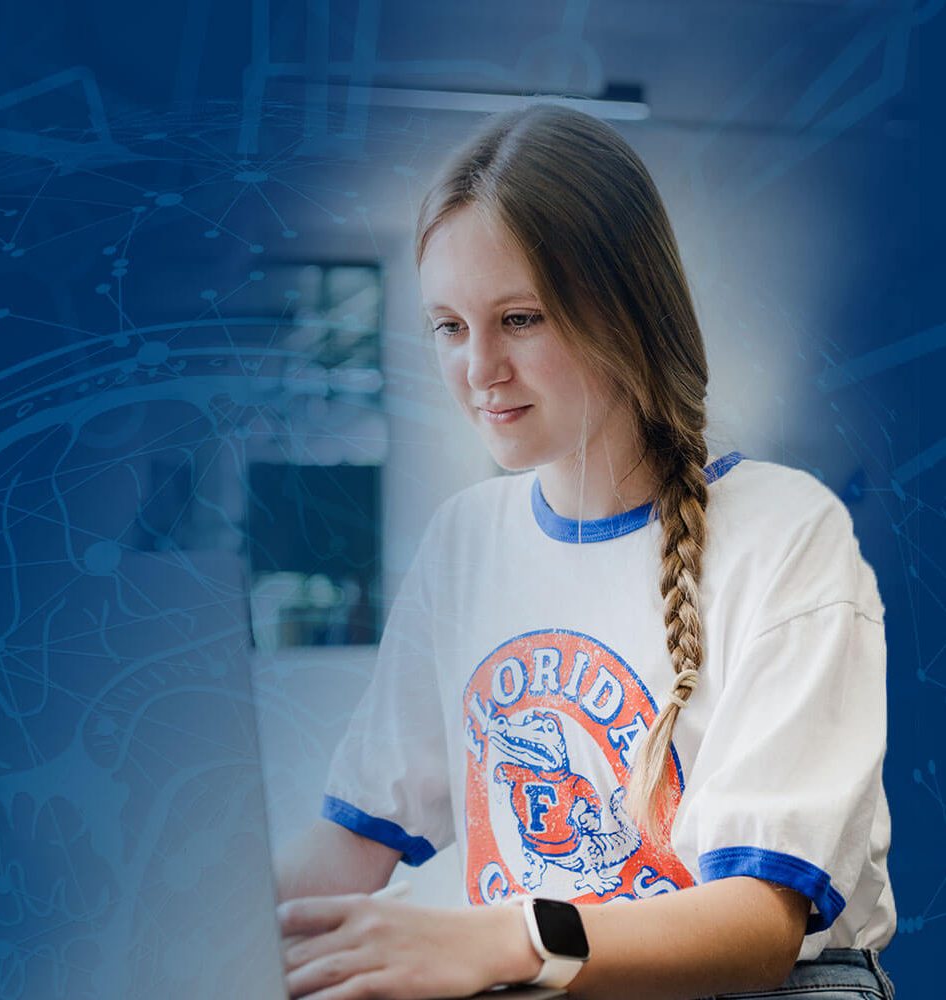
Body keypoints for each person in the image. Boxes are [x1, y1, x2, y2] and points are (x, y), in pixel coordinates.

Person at [272, 103, 895, 1000]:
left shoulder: (786, 532)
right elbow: (352, 844)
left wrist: (504, 942)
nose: (479, 369)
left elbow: (760, 926)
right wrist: (189, 933)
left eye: (519, 318)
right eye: (449, 326)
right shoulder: (464, 542)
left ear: (626, 311)